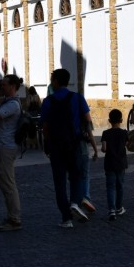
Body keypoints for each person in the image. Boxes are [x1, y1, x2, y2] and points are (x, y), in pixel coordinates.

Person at [40, 68, 93, 228]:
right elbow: (88, 120)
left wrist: (47, 143)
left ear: (56, 81)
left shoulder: (48, 101)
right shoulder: (77, 98)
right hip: (74, 143)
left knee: (59, 182)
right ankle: (75, 203)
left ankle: (66, 218)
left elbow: (45, 127)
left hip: (56, 145)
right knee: (76, 176)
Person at [0, 74, 23, 232]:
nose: (3, 87)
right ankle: (11, 216)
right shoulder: (8, 101)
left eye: (5, 85)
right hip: (0, 146)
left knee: (8, 184)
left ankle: (15, 219)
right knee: (5, 184)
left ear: (13, 86)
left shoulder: (13, 104)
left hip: (4, 148)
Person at [100, 108, 129, 221]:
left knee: (110, 187)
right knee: (120, 186)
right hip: (121, 163)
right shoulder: (124, 133)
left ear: (109, 120)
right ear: (121, 120)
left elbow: (104, 149)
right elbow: (126, 145)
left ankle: (111, 210)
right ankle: (119, 207)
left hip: (109, 163)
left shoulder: (105, 133)